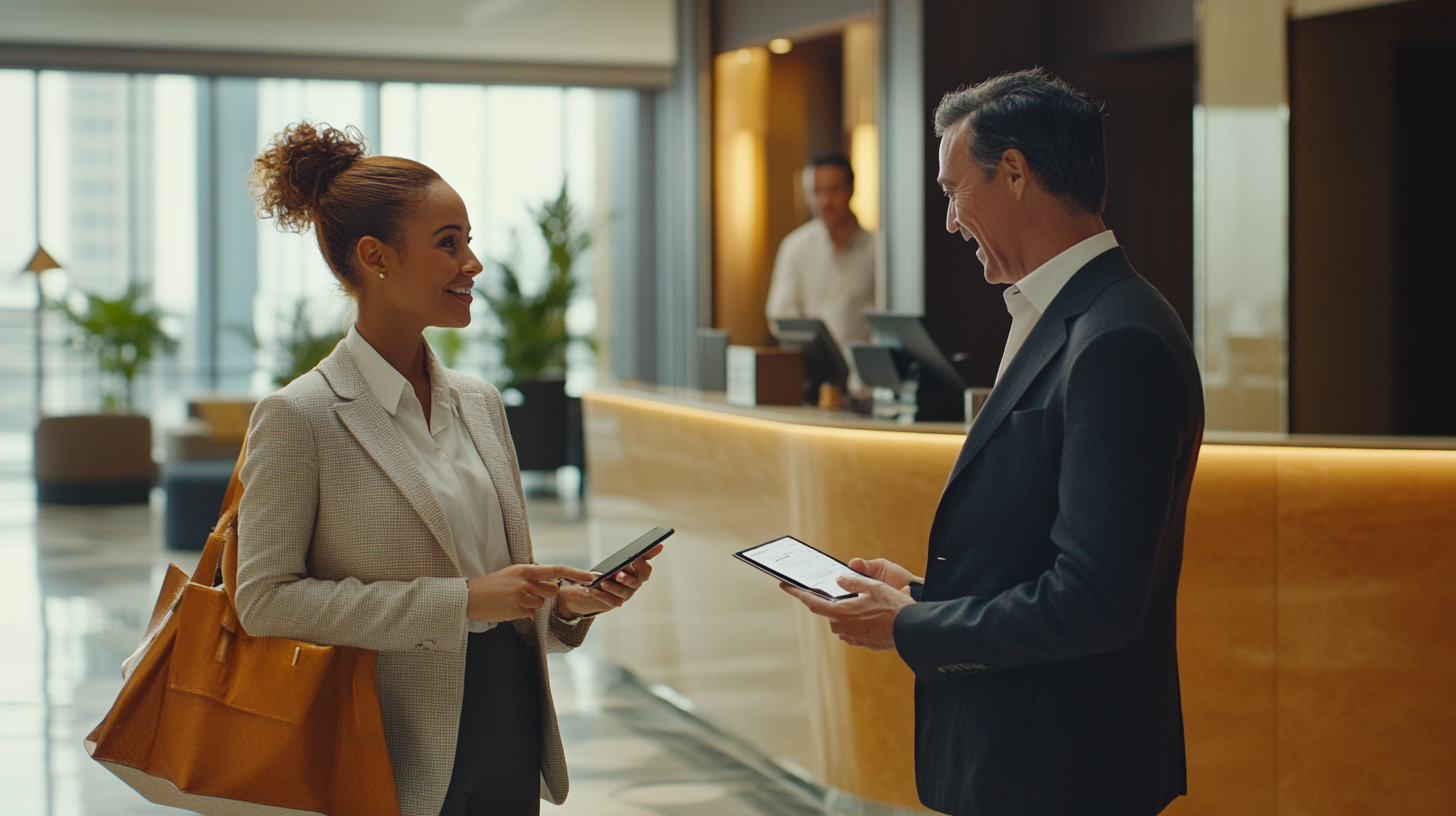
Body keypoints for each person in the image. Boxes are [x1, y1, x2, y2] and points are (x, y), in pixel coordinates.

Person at [782, 69, 1204, 816]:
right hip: (1027, 758)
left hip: (1064, 771)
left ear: (1014, 173)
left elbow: (1094, 601)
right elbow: (1037, 554)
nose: (948, 221)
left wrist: (912, 626)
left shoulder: (1119, 337)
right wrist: (921, 595)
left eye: (952, 190)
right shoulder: (1062, 313)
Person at [235, 122, 660, 816]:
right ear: (376, 257)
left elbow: (491, 578)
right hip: (387, 738)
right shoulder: (300, 417)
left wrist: (565, 605)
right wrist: (460, 602)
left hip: (510, 714)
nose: (474, 265)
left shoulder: (479, 403)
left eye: (468, 241)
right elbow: (265, 601)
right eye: (449, 244)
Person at [765, 153, 876, 393]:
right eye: (816, 192)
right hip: (813, 386)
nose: (824, 201)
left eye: (833, 190)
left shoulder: (878, 250)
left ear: (851, 189)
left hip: (867, 388)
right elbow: (781, 317)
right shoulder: (795, 248)